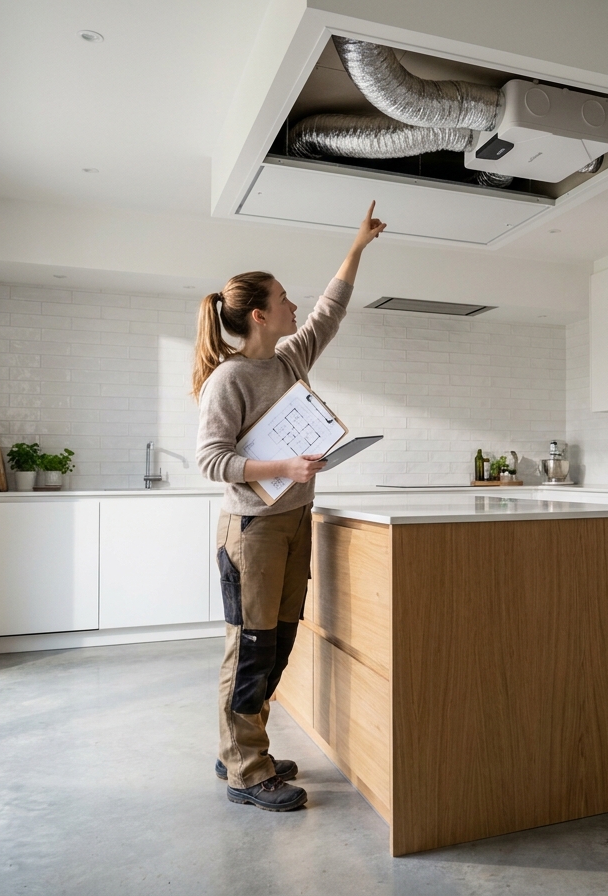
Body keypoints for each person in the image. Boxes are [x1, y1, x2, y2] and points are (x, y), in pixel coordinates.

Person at [192, 202, 387, 811]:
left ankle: (244, 749)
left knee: (276, 641)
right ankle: (246, 770)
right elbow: (210, 460)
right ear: (259, 314)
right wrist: (283, 467)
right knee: (250, 646)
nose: (294, 305)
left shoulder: (287, 360)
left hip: (293, 523)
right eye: (283, 298)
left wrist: (357, 246)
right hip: (252, 529)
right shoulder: (229, 380)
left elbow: (329, 313)